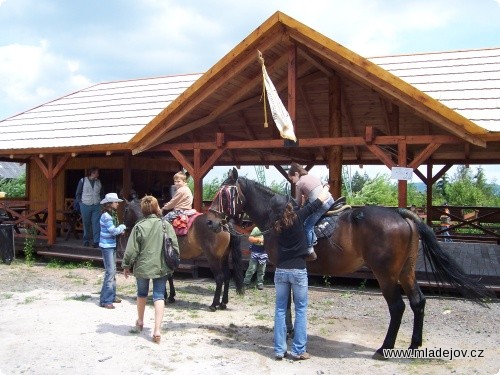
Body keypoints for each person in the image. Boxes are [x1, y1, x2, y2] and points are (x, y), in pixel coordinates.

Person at [270, 185, 332, 361]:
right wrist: (326, 187)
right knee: (301, 309)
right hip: (298, 270)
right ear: (288, 206)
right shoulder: (298, 218)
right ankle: (298, 350)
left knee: (280, 309)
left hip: (281, 270)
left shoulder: (275, 225)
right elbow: (320, 201)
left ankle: (279, 350)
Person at [122, 195, 179, 344]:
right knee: (159, 296)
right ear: (156, 208)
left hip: (142, 266)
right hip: (161, 267)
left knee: (141, 294)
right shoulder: (166, 225)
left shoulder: (138, 227)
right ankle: (157, 330)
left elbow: (131, 250)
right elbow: (175, 247)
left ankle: (140, 321)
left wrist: (127, 265)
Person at [287, 162, 334, 260]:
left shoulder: (299, 183)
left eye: (292, 179)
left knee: (307, 225)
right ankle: (314, 238)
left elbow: (298, 202)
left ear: (296, 174)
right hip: (330, 199)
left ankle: (309, 249)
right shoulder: (311, 176)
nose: (293, 182)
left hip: (321, 205)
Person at [98, 193, 127, 309]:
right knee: (110, 272)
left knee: (112, 271)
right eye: (116, 202)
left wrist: (119, 229)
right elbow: (113, 231)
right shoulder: (107, 216)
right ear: (110, 203)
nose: (118, 204)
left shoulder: (111, 215)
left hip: (110, 245)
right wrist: (122, 227)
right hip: (107, 246)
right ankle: (106, 300)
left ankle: (111, 296)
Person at [75, 167, 105, 247]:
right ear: (92, 173)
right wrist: (80, 203)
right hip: (85, 205)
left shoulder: (99, 182)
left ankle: (96, 241)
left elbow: (102, 193)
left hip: (97, 205)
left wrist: (102, 203)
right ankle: (86, 240)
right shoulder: (83, 181)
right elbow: (78, 193)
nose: (98, 174)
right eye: (97, 173)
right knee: (86, 223)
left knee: (96, 223)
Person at [243, 226, 268, 290]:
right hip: (255, 252)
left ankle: (260, 283)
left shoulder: (268, 229)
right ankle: (246, 282)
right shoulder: (257, 229)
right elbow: (250, 238)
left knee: (262, 269)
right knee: (252, 268)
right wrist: (258, 239)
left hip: (264, 252)